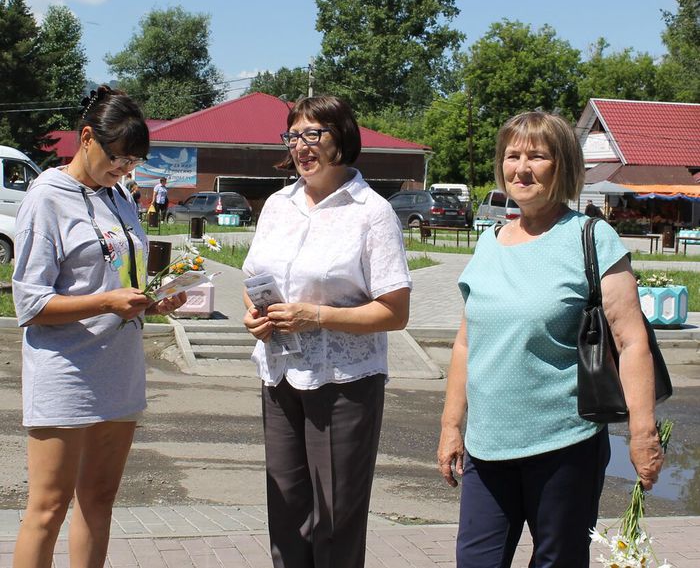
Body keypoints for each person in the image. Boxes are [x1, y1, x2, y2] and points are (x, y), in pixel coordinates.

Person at [437, 111, 664, 568]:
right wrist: (450, 426)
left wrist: (642, 433)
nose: (521, 168)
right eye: (511, 155)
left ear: (562, 165)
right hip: (488, 445)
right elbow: (467, 342)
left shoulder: (592, 237)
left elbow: (631, 341)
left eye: (537, 156)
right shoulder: (490, 241)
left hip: (564, 444)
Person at [11, 85, 186, 568]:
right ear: (86, 137)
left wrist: (152, 300)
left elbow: (119, 279)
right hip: (64, 368)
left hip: (119, 366)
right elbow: (30, 302)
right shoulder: (46, 198)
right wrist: (105, 301)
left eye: (133, 163)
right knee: (48, 507)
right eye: (118, 158)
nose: (124, 170)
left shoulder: (119, 197)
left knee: (99, 500)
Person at [242, 95, 411, 568]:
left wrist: (315, 316)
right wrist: (253, 315)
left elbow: (395, 312)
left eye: (313, 134)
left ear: (342, 138)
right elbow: (252, 278)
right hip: (279, 374)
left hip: (345, 382)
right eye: (293, 136)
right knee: (287, 508)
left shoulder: (371, 212)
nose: (301, 146)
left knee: (334, 518)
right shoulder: (278, 204)